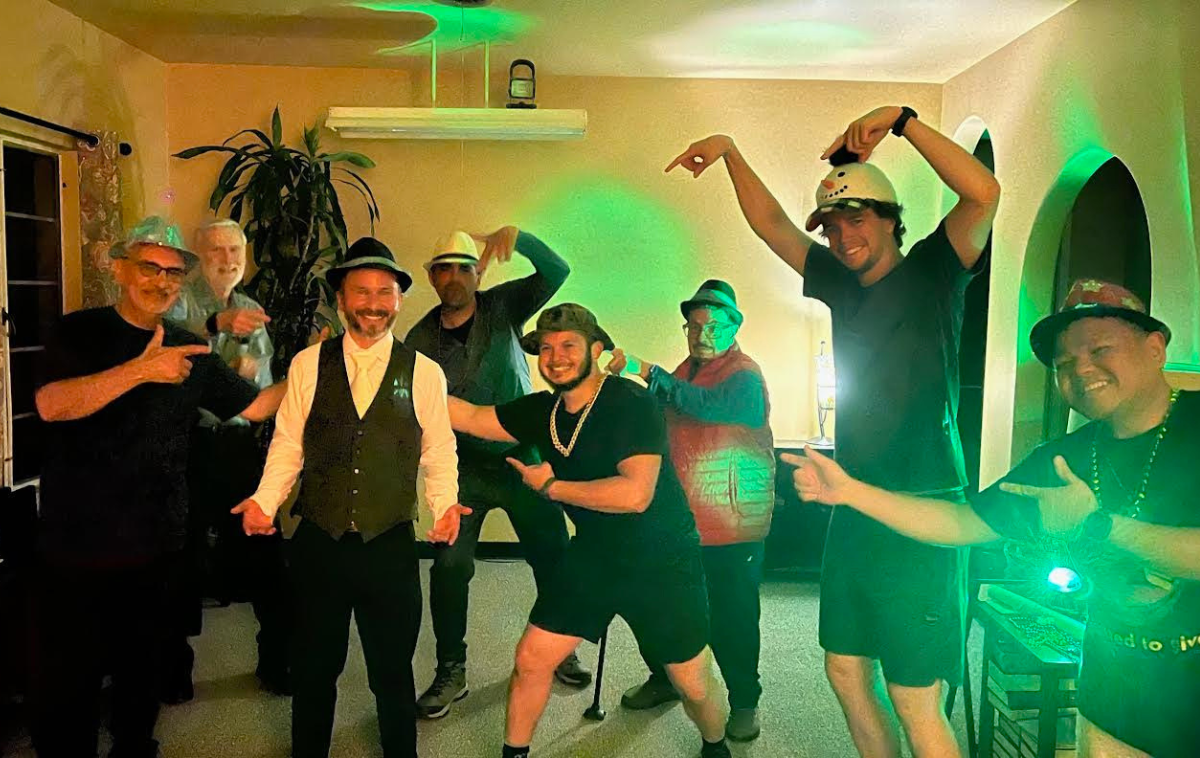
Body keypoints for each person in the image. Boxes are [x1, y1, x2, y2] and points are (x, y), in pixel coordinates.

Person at [667, 106, 999, 757]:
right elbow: (771, 226)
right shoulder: (838, 285)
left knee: (914, 696)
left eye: (857, 218)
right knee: (845, 672)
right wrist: (732, 150)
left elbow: (983, 193)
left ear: (889, 219)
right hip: (850, 497)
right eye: (832, 224)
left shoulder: (935, 270)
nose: (843, 235)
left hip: (923, 504)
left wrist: (902, 121)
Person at [786, 278, 1200, 758]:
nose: (1080, 368)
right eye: (1064, 363)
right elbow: (962, 523)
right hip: (1113, 681)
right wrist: (851, 492)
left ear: (1155, 348)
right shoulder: (1063, 457)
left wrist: (1098, 524)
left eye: (1100, 348)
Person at [30, 216, 287, 758]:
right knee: (68, 675)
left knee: (141, 668)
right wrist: (140, 371)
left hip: (157, 541)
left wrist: (322, 365)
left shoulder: (191, 349)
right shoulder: (79, 331)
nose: (162, 280)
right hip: (78, 542)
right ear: (122, 268)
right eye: (150, 266)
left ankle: (133, 745)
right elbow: (51, 405)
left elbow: (257, 404)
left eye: (173, 273)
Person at [448, 303, 732, 758]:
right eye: (545, 348)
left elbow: (634, 494)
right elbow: (469, 416)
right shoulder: (543, 410)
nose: (555, 356)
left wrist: (553, 487)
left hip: (662, 558)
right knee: (531, 659)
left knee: (693, 684)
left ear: (596, 350)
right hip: (595, 555)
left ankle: (716, 746)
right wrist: (393, 372)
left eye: (568, 346)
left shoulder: (631, 401)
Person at [232, 237, 464, 758]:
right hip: (320, 543)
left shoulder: (424, 372)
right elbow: (288, 443)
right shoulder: (308, 365)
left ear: (400, 300)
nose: (374, 303)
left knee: (392, 672)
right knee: (314, 670)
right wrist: (266, 502)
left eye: (385, 292)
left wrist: (445, 504)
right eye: (361, 291)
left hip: (390, 546)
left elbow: (439, 450)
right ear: (341, 299)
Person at [405, 227, 588, 719]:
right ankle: (451, 668)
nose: (453, 277)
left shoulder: (504, 306)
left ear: (477, 272)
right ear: (432, 276)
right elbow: (418, 410)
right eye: (443, 268)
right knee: (448, 567)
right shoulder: (420, 338)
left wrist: (521, 237)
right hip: (463, 468)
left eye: (463, 267)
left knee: (553, 555)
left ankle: (560, 646)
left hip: (523, 455)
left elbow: (557, 271)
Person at [608, 279, 774, 742]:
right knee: (658, 605)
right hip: (680, 524)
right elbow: (660, 420)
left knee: (733, 618)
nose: (702, 334)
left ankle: (743, 701)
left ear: (734, 327)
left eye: (713, 325)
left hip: (731, 527)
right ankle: (666, 678)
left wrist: (646, 369)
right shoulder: (685, 370)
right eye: (694, 325)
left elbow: (705, 406)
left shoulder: (744, 375)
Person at [162, 217, 291, 701]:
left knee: (266, 553)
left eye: (236, 249)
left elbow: (260, 384)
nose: (228, 258)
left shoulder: (252, 307)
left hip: (238, 447)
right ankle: (173, 670)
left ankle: (277, 661)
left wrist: (250, 378)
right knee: (180, 559)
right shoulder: (178, 299)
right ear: (198, 256)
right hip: (186, 446)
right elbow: (168, 355)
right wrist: (215, 328)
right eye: (216, 249)